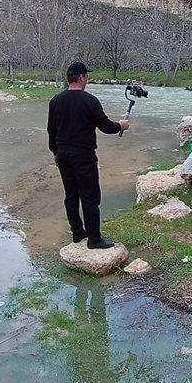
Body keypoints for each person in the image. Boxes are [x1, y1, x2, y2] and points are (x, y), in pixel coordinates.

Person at [47, 61, 129, 249]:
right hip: (83, 155)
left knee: (71, 195)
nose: (87, 80)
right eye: (87, 77)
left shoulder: (56, 101)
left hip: (63, 154)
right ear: (82, 77)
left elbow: (51, 130)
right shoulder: (89, 100)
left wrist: (55, 153)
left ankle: (77, 233)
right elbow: (105, 126)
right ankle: (94, 239)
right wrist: (121, 126)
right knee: (90, 197)